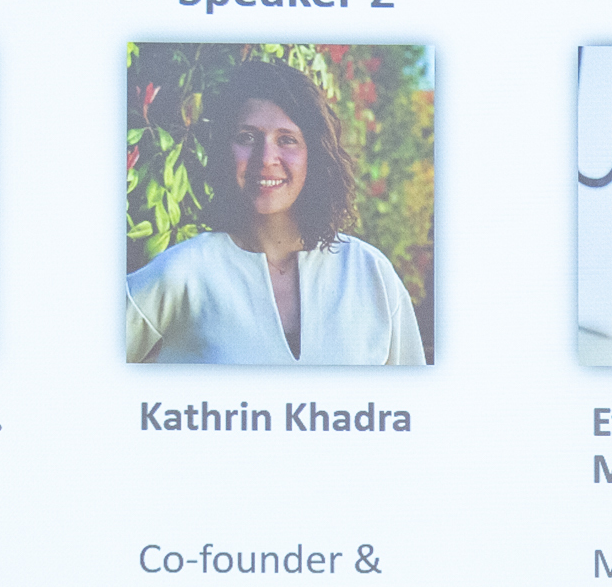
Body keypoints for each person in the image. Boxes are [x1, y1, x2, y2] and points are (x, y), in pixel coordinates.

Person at [126, 59, 427, 365]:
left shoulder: (371, 274)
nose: (266, 158)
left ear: (315, 154)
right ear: (223, 151)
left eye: (287, 140)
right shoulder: (182, 273)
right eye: (247, 137)